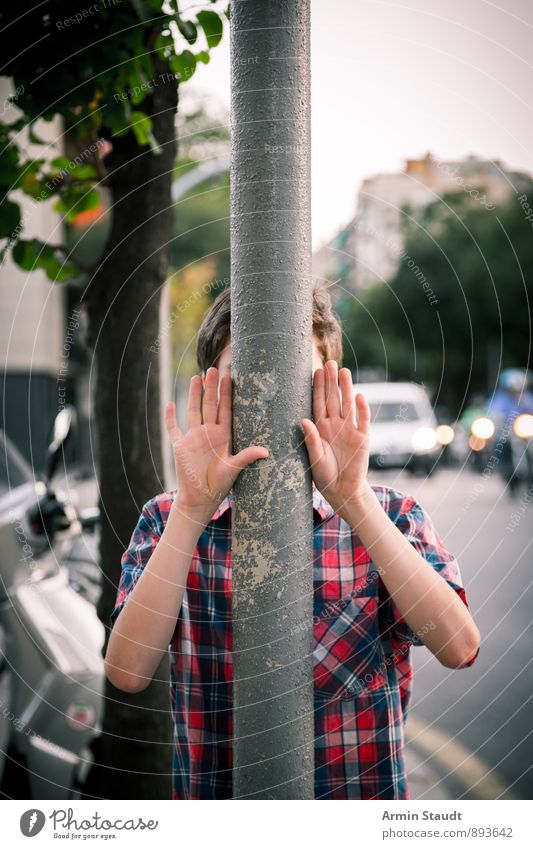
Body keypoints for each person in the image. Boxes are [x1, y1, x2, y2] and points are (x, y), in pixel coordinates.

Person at [104, 285, 480, 800]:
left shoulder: (390, 514)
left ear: (327, 389)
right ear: (216, 390)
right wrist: (193, 510)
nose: (273, 396)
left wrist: (353, 500)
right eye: (249, 377)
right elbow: (126, 671)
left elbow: (458, 647)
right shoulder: (169, 518)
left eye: (297, 378)